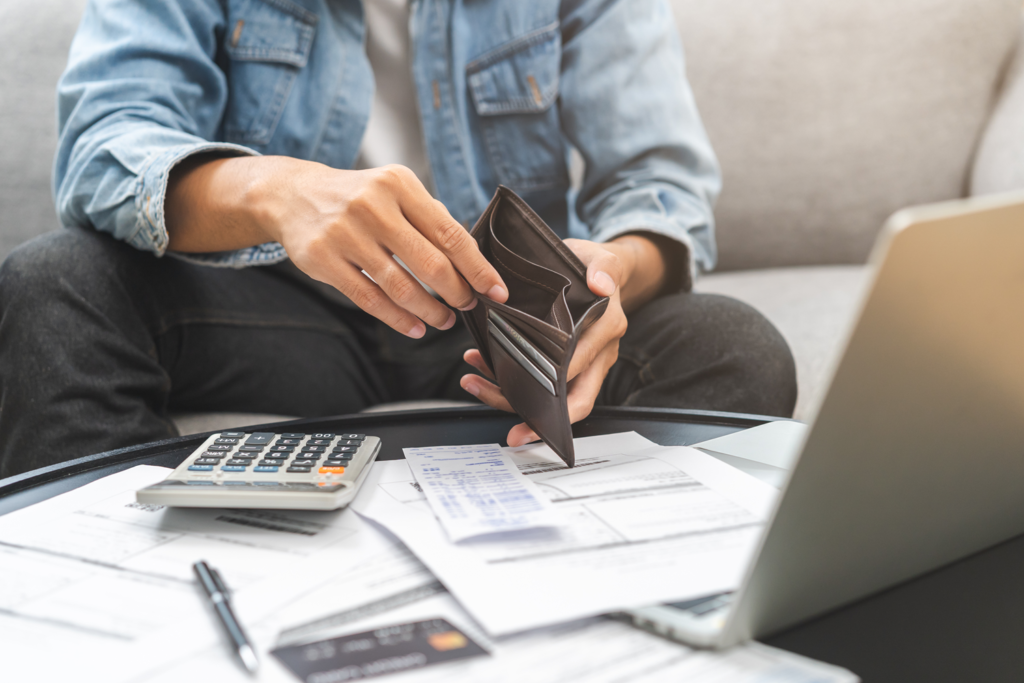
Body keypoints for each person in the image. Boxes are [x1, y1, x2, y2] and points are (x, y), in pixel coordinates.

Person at [0, 0, 796, 478]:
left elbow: (658, 182)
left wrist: (610, 269)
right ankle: (127, 620)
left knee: (735, 345)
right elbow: (105, 142)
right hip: (272, 309)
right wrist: (274, 192)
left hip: (492, 330)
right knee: (51, 288)